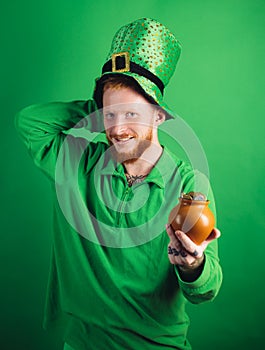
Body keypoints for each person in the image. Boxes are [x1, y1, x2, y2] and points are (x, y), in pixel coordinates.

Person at [15, 18, 222, 350]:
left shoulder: (188, 183)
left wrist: (194, 264)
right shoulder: (77, 163)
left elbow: (208, 288)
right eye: (109, 116)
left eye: (132, 115)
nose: (118, 129)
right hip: (83, 344)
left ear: (159, 115)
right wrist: (103, 105)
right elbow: (29, 122)